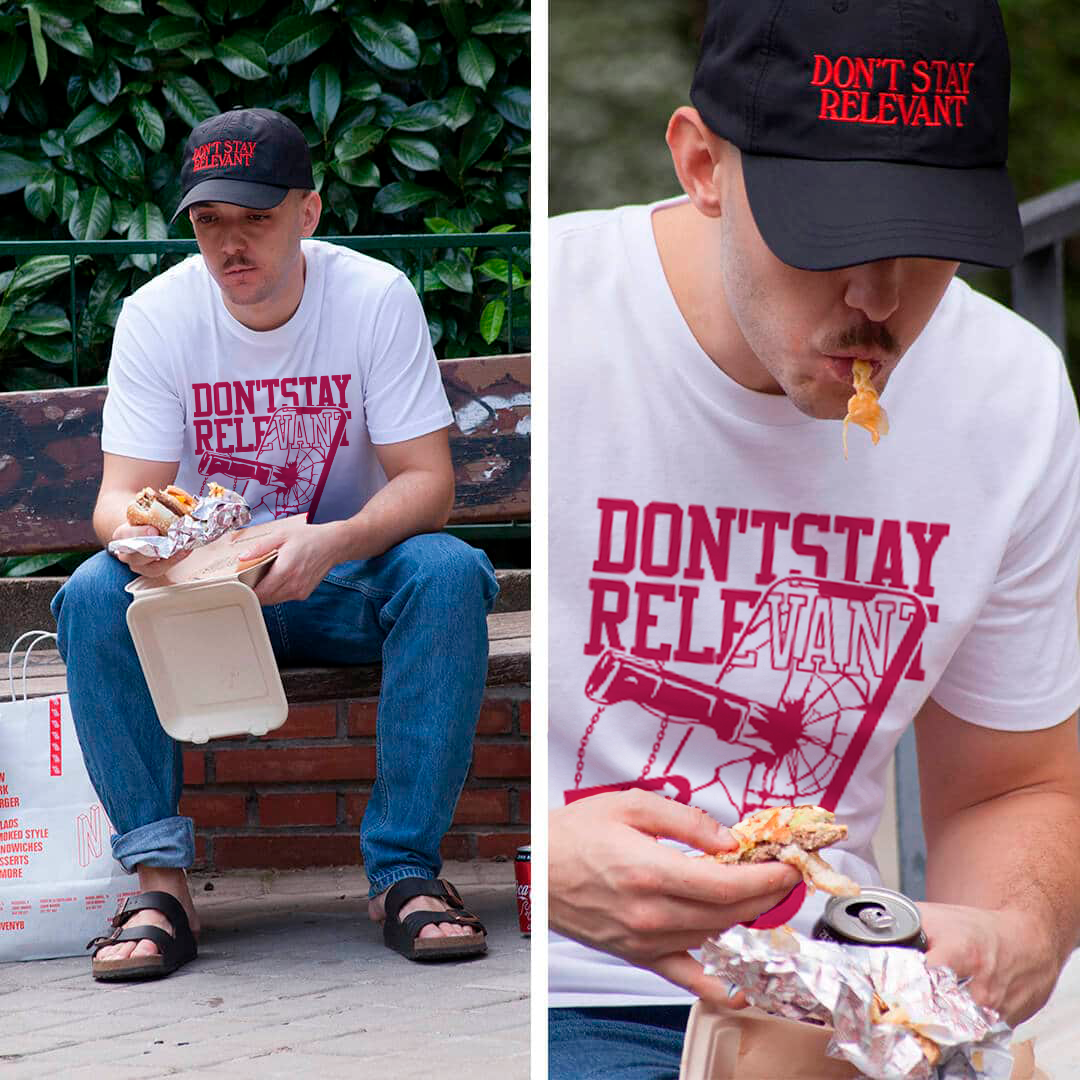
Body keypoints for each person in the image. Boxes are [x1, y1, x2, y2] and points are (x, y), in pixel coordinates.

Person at [548, 1, 1080, 1075]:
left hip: (839, 999)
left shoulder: (1011, 396)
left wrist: (1015, 937)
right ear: (703, 164)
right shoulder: (558, 323)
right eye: (828, 236)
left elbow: (1016, 786)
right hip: (559, 985)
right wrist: (540, 862)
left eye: (926, 244)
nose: (878, 300)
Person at [53, 107, 498, 981]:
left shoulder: (372, 296)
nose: (230, 245)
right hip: (198, 598)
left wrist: (330, 543)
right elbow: (116, 501)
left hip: (344, 580)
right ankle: (158, 885)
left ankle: (404, 874)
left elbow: (428, 487)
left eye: (256, 218)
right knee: (92, 593)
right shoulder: (157, 315)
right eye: (210, 221)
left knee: (448, 572)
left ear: (310, 212)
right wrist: (140, 540)